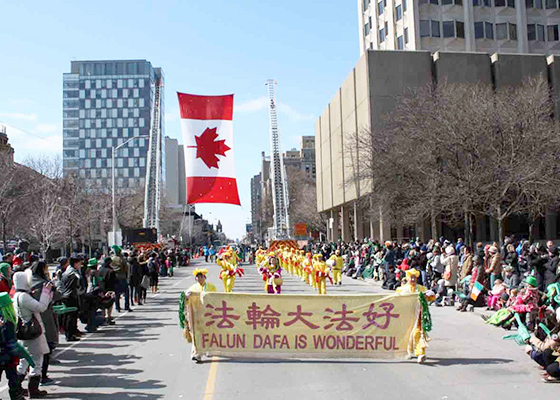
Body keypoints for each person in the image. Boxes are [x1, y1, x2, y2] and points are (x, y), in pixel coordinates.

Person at [14, 271, 53, 398]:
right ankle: (33, 390)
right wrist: (46, 292)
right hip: (33, 332)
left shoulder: (16, 295)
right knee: (37, 360)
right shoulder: (24, 297)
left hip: (22, 332)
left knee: (24, 361)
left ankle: (17, 387)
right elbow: (41, 307)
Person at [29, 261, 61, 386]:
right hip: (44, 318)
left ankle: (32, 377)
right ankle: (42, 376)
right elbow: (56, 296)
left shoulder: (27, 284)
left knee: (31, 350)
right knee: (45, 346)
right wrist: (52, 288)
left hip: (28, 319)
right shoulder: (44, 284)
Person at [396, 268, 436, 364]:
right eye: (411, 277)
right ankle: (407, 351)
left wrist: (430, 295)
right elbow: (396, 300)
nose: (413, 280)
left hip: (418, 316)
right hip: (406, 316)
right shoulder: (402, 289)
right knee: (407, 334)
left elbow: (430, 298)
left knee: (418, 333)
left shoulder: (421, 288)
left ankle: (420, 353)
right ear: (407, 278)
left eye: (414, 277)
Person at [0, 292, 34, 400]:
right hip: (7, 356)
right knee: (13, 379)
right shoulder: (8, 320)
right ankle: (17, 397)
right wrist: (20, 353)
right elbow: (11, 343)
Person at [182, 268, 217, 363]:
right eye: (197, 277)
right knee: (196, 335)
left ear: (205, 277)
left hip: (208, 314)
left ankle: (208, 349)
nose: (199, 278)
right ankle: (196, 354)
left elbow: (216, 298)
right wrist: (187, 297)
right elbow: (185, 301)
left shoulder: (211, 287)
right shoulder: (192, 288)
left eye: (201, 276)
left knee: (207, 333)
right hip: (196, 315)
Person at [60, 257, 84, 342]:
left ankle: (70, 333)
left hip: (65, 295)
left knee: (67, 316)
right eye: (79, 263)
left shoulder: (66, 272)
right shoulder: (73, 274)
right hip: (71, 296)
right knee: (71, 316)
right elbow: (77, 285)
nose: (80, 265)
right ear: (75, 264)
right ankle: (70, 335)